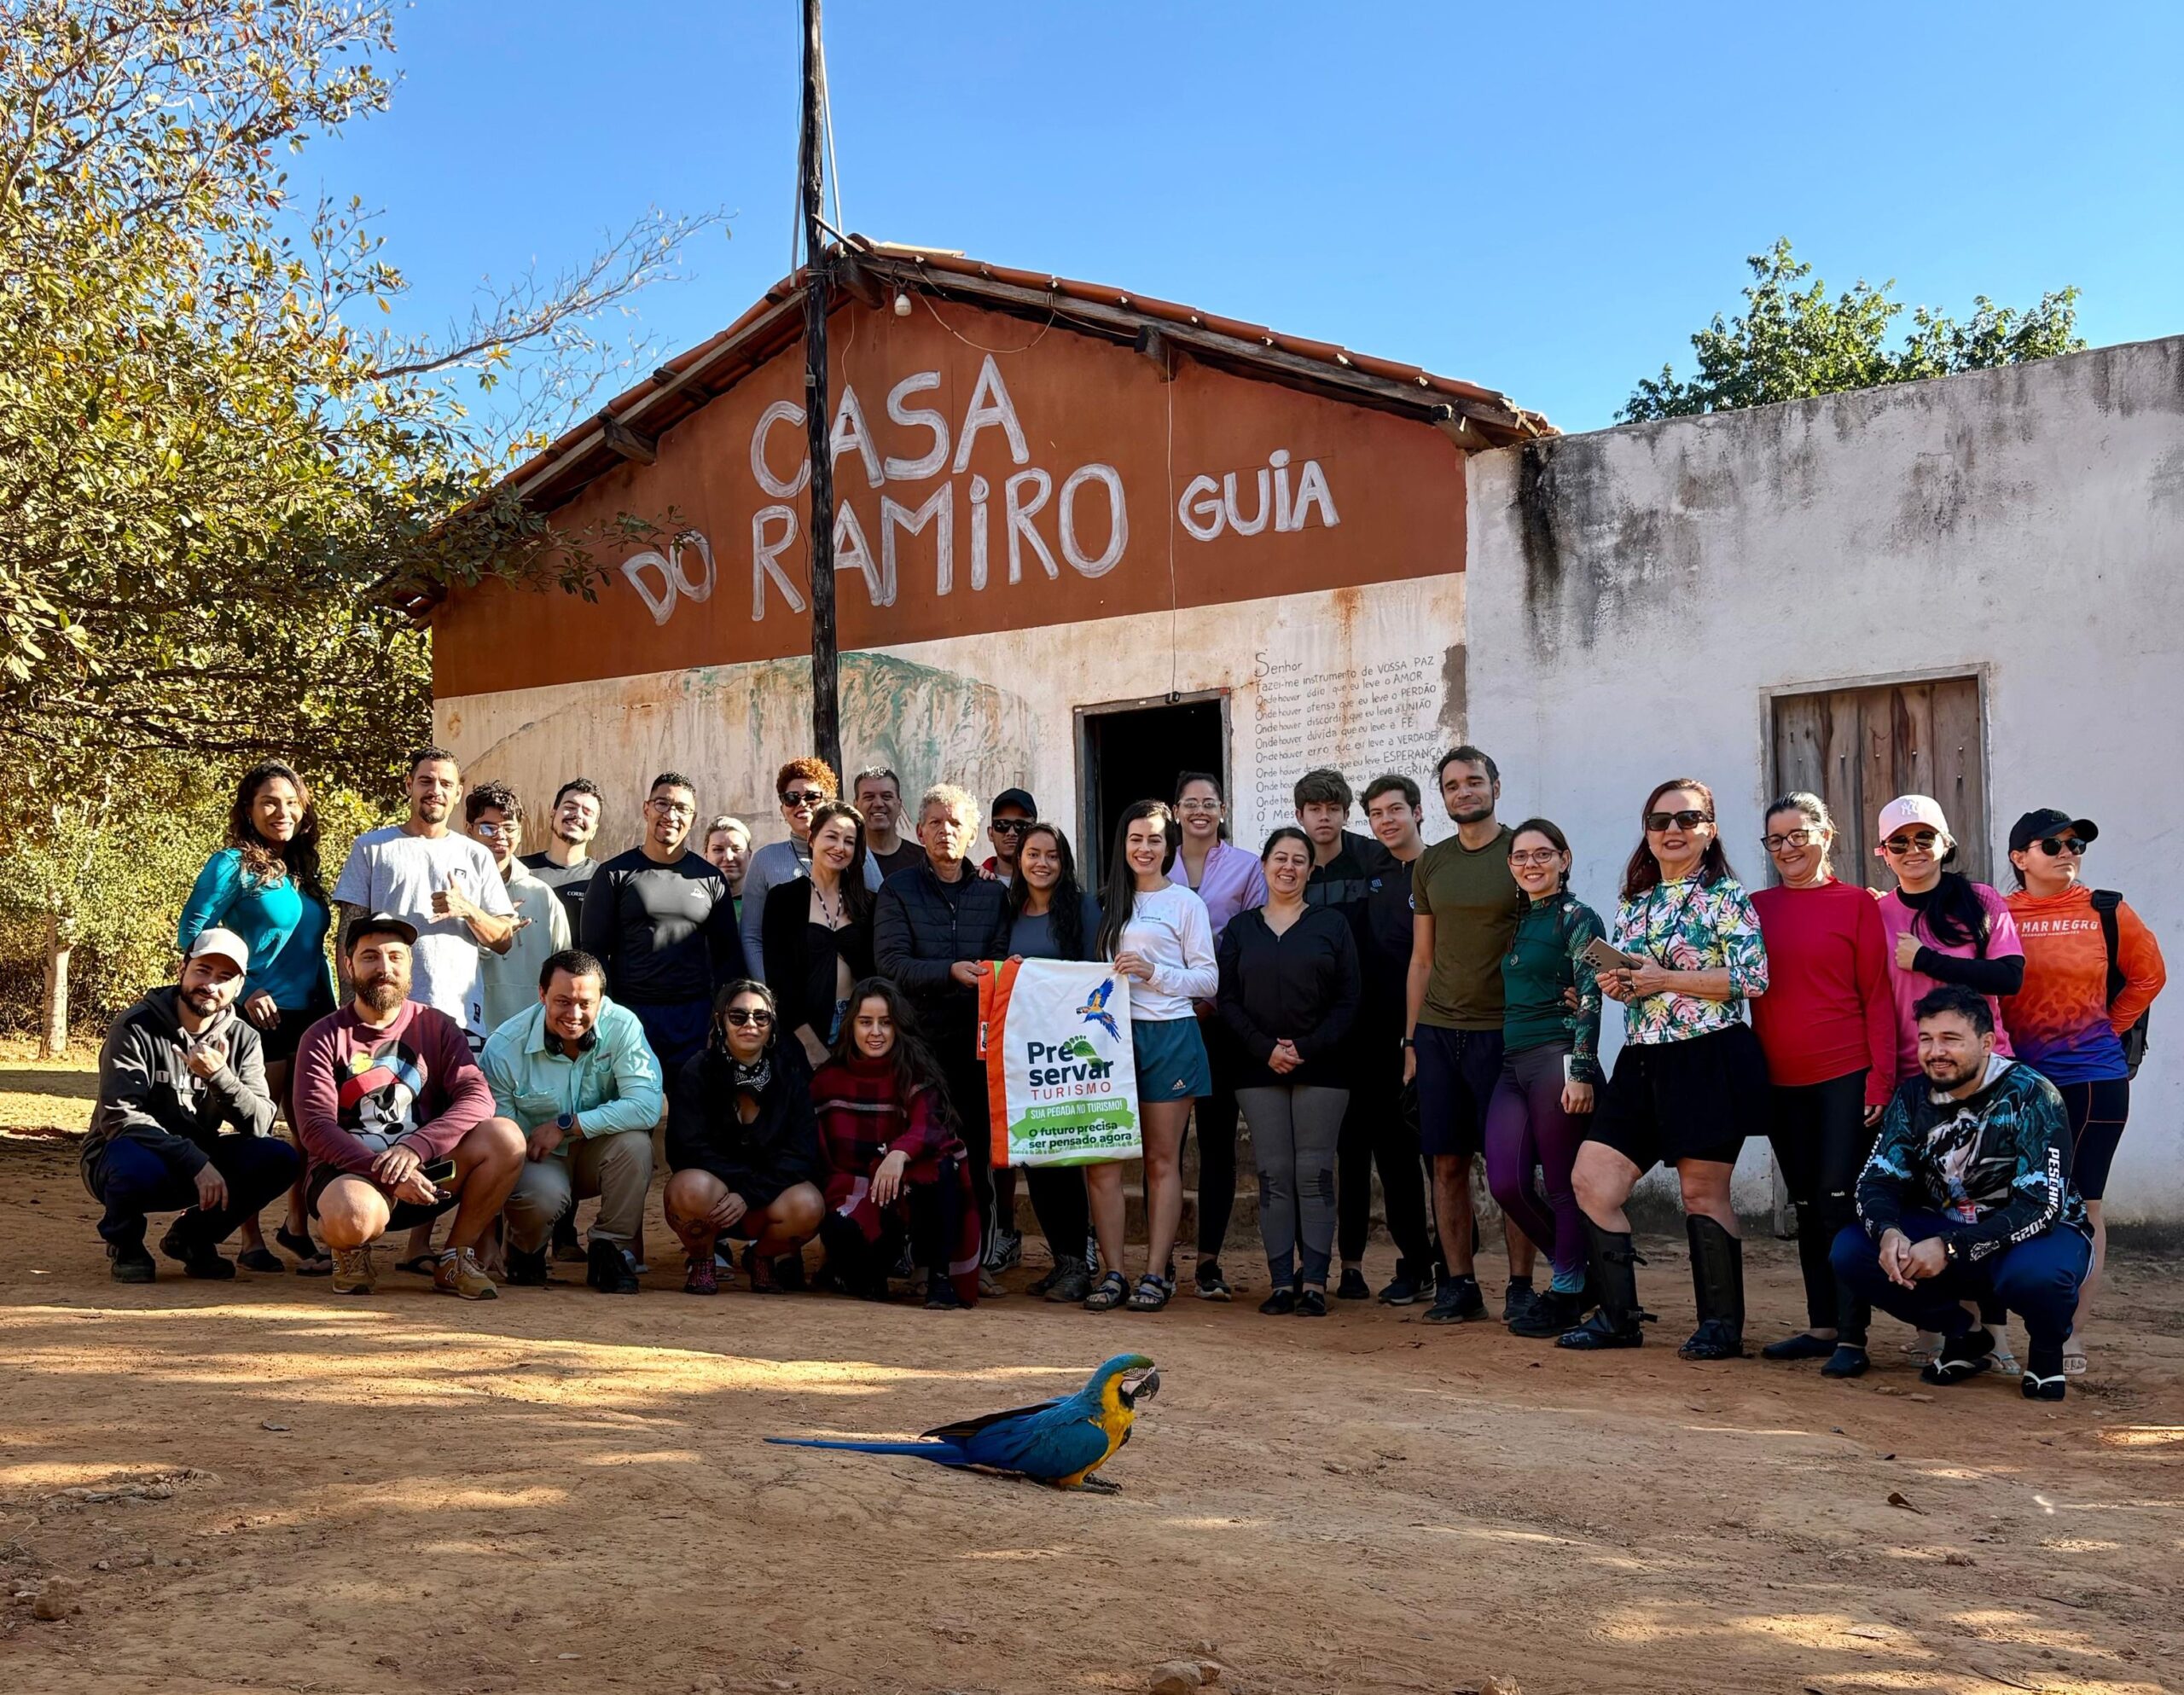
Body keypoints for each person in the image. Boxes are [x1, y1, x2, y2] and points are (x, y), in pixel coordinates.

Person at [1559, 778, 1770, 1360]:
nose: (1672, 830)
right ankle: (1619, 1318)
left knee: (1702, 1193)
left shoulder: (1728, 897)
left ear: (1710, 828)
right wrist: (1619, 982)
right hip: (1642, 1059)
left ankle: (1721, 1327)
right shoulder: (1634, 902)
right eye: (1660, 820)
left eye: (1687, 819)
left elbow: (1753, 979)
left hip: (1709, 1055)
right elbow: (1637, 984)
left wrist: (1664, 978)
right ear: (1647, 831)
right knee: (1593, 1180)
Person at [1833, 986, 2093, 1402]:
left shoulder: (2032, 1094)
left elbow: (2042, 1206)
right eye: (1926, 1039)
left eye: (1951, 1040)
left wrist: (1951, 1247)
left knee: (2038, 1276)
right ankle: (1966, 1336)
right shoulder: (1913, 1095)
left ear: (1987, 1043)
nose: (1936, 1051)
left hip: (2032, 1235)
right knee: (1851, 1250)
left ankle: (2046, 1352)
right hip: (1952, 1227)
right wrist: (1887, 1232)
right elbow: (1876, 1180)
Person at [2001, 807, 2166, 1377]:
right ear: (2020, 858)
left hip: (2093, 1078)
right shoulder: (1998, 914)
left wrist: (2105, 1028)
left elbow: (2150, 975)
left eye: (2075, 844)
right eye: (2053, 845)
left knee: (2084, 1203)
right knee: (2007, 1197)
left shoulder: (2106, 909)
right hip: (2018, 1081)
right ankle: (1990, 1329)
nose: (2068, 852)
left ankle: (2070, 1332)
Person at [292, 914, 526, 1299]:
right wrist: (385, 1171)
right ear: (348, 967)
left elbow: (478, 1097)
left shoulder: (436, 1025)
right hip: (351, 1175)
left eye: (396, 957)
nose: (384, 968)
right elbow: (315, 1128)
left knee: (505, 1138)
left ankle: (455, 1257)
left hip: (425, 1175)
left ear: (410, 966)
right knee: (353, 1217)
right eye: (370, 957)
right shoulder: (322, 1037)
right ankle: (350, 1252)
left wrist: (415, 1149)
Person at [1873, 792, 2026, 1369]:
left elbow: (2008, 975)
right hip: (1912, 1079)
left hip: (1982, 1075)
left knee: (1982, 1203)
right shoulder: (1878, 911)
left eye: (1924, 838)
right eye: (1900, 842)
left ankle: (1999, 1335)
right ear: (1883, 852)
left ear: (1945, 843)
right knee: (1923, 1203)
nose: (1914, 851)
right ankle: (1939, 1330)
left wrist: (1928, 959)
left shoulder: (1980, 900)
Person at [1749, 792, 1896, 1378]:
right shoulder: (1754, 907)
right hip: (1781, 1080)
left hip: (1846, 1075)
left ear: (1826, 834)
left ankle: (1854, 1338)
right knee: (1808, 1205)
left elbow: (1878, 996)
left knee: (1841, 1203)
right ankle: (1823, 1325)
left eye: (1798, 834)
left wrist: (1881, 1077)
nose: (1788, 847)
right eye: (1776, 839)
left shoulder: (1859, 905)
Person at [177, 760, 334, 1274]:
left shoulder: (304, 869)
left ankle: (295, 1226)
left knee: (309, 1126)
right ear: (249, 809)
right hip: (256, 1017)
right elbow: (191, 933)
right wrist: (242, 991)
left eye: (291, 801)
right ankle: (248, 1238)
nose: (281, 811)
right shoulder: (231, 863)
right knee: (253, 1125)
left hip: (313, 1012)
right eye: (269, 801)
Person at [1403, 746, 1532, 1326]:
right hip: (1437, 1035)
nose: (1464, 792)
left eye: (1474, 781)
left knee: (1511, 1164)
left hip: (1505, 1035)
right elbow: (1421, 958)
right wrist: (1410, 1043)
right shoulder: (1430, 864)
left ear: (1496, 786)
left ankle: (1522, 1285)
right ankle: (1459, 1284)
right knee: (1446, 1164)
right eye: (1452, 785)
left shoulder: (1523, 853)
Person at [82, 930, 293, 1282]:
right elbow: (120, 1115)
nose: (211, 984)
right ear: (183, 969)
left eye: (225, 978)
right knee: (128, 1160)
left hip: (197, 1156)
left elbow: (260, 1123)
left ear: (239, 987)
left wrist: (220, 1077)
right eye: (203, 970)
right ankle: (126, 1243)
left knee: (278, 1158)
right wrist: (194, 1159)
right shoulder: (134, 1026)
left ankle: (193, 1238)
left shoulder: (244, 1038)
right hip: (127, 1154)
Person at [872, 782, 1013, 1291]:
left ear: (973, 833)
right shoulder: (898, 890)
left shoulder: (994, 895)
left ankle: (975, 1264)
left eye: (955, 823)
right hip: (918, 1045)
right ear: (919, 830)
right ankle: (922, 1257)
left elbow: (1000, 962)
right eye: (935, 821)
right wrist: (949, 972)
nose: (945, 831)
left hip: (978, 1048)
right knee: (921, 1149)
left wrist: (985, 974)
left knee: (977, 1153)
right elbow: (890, 963)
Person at [1217, 827, 1361, 1317]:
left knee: (1314, 1172)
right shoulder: (1240, 929)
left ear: (1310, 870)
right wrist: (1265, 1049)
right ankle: (1281, 1284)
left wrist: (1305, 1046)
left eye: (1299, 860)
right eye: (1280, 858)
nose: (1289, 867)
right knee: (1274, 1173)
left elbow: (1349, 1000)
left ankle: (1316, 1283)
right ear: (1263, 865)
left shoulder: (1332, 925)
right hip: (1257, 1066)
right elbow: (1228, 1000)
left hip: (1323, 1065)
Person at [1084, 800, 1217, 1313]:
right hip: (1107, 1040)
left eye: (1155, 840)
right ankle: (1114, 1272)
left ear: (1170, 847)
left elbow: (1208, 980)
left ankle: (1156, 1273)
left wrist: (1152, 972)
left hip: (1170, 1036)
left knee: (1162, 1160)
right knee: (1104, 1162)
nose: (1144, 848)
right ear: (1123, 844)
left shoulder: (1186, 903)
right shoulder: (1101, 904)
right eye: (1136, 838)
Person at [1484, 818, 1606, 1340]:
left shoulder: (1580, 916)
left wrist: (1580, 1071)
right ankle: (1580, 1272)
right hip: (1513, 1062)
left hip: (1558, 1057)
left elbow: (1593, 992)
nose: (1530, 864)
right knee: (1506, 1181)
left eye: (1542, 854)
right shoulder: (1516, 919)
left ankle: (1566, 1288)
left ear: (1564, 858)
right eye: (1520, 857)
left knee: (1560, 1184)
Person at [482, 949, 663, 1296]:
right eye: (562, 1001)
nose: (574, 1014)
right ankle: (524, 1247)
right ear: (541, 994)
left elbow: (645, 1108)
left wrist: (567, 1125)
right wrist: (484, 1235)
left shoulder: (623, 1026)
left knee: (636, 1145)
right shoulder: (504, 1047)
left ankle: (611, 1250)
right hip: (536, 1160)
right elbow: (495, 1145)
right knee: (543, 1196)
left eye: (585, 1003)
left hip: (597, 1151)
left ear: (601, 999)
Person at [810, 978, 982, 1308]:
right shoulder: (827, 1079)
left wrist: (899, 1152)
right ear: (851, 1026)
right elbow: (816, 1154)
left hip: (906, 1191)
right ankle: (866, 1273)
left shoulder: (915, 1071)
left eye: (885, 1023)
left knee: (943, 1169)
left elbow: (932, 1126)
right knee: (843, 1233)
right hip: (853, 1193)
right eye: (866, 1022)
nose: (876, 1032)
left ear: (898, 1026)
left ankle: (939, 1278)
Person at [332, 746, 517, 1047]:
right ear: (409, 785)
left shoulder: (477, 855)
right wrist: (349, 1007)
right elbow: (347, 935)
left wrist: (468, 909)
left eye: (445, 784)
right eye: (426, 781)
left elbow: (504, 939)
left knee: (460, 1095)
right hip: (384, 1014)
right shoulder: (372, 848)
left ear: (458, 792)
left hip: (460, 1016)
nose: (435, 791)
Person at [1168, 770, 1266, 1302]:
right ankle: (1159, 1259)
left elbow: (1247, 945)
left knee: (1216, 1143)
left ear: (1222, 809)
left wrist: (1209, 1002)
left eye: (1210, 802)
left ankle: (1208, 1261)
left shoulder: (1248, 868)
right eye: (1191, 803)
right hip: (1162, 1022)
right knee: (1166, 1144)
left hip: (1222, 1022)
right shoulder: (1159, 862)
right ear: (1175, 809)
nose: (1200, 810)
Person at [665, 979, 826, 1294]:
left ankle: (762, 1257)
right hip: (714, 1200)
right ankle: (703, 1259)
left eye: (760, 1017)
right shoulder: (698, 1071)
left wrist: (749, 1194)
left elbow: (801, 1154)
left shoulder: (791, 1075)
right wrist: (735, 1189)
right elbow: (685, 1148)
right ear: (720, 1021)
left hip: (768, 1199)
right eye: (738, 1016)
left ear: (771, 1024)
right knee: (688, 1188)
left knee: (808, 1205)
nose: (749, 1024)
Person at [1343, 775, 1438, 1306]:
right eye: (1376, 814)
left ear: (1418, 812)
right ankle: (1415, 1264)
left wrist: (1416, 1037)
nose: (1386, 821)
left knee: (1440, 1154)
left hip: (1434, 1029)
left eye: (1395, 810)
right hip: (1375, 1037)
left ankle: (1454, 1265)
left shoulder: (1440, 868)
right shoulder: (1370, 872)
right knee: (1393, 1158)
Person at [581, 771, 746, 1076]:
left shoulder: (710, 879)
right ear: (647, 808)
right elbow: (593, 956)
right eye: (662, 804)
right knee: (635, 1115)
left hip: (695, 1022)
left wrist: (720, 1019)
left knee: (693, 1118)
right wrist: (605, 1018)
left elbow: (728, 958)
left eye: (682, 808)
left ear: (693, 818)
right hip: (630, 1018)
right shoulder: (613, 875)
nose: (671, 815)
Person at [1003, 821, 1103, 1303]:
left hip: (1069, 1052)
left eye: (1052, 855)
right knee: (1034, 1156)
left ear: (1064, 863)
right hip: (1025, 1054)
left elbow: (1093, 976)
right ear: (1019, 859)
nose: (1042, 863)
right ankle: (1062, 1260)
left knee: (1064, 1156)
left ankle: (1079, 1265)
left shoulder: (1082, 909)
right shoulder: (1008, 911)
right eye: (1033, 854)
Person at [739, 758, 883, 980]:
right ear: (782, 807)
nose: (801, 804)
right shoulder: (766, 859)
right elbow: (752, 936)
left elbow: (880, 917)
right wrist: (770, 993)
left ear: (828, 801)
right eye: (791, 798)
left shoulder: (854, 855)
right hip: (790, 993)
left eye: (811, 797)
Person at [762, 800, 876, 1067]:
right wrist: (811, 1047)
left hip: (859, 1026)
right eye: (832, 836)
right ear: (812, 839)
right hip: (802, 1031)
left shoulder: (869, 903)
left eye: (849, 841)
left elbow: (877, 973)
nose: (840, 847)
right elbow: (778, 981)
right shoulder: (783, 899)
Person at [978, 785, 1038, 1272]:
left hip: (1043, 1027)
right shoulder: (976, 882)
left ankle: (1072, 1239)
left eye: (1022, 826)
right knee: (996, 1134)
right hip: (991, 1023)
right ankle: (1002, 1233)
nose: (1012, 834)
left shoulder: (1049, 875)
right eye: (1003, 824)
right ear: (990, 829)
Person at [468, 782, 572, 1036]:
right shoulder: (457, 891)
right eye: (488, 827)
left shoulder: (540, 894)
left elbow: (564, 962)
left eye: (508, 828)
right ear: (469, 830)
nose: (499, 836)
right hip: (469, 1030)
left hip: (530, 1031)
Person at [1294, 767, 1399, 908]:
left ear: (1346, 816)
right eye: (1315, 809)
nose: (1324, 817)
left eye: (1333, 809)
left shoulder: (1372, 856)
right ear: (1300, 816)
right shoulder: (1290, 865)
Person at [520, 777, 604, 929]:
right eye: (570, 807)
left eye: (587, 812)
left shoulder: (603, 879)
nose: (577, 814)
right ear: (552, 815)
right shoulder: (519, 869)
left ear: (594, 830)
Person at [855, 768, 927, 880]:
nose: (878, 803)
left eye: (886, 796)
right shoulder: (847, 860)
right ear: (855, 806)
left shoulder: (923, 861)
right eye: (869, 797)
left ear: (899, 805)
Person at [981, 786, 1037, 879]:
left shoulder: (1052, 884)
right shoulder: (971, 882)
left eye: (1021, 825)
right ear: (990, 833)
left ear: (1035, 834)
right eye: (1002, 824)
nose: (1011, 832)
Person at [701, 816, 753, 903]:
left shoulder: (765, 904)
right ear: (706, 856)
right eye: (718, 849)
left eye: (737, 849)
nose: (728, 857)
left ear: (749, 855)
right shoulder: (693, 905)